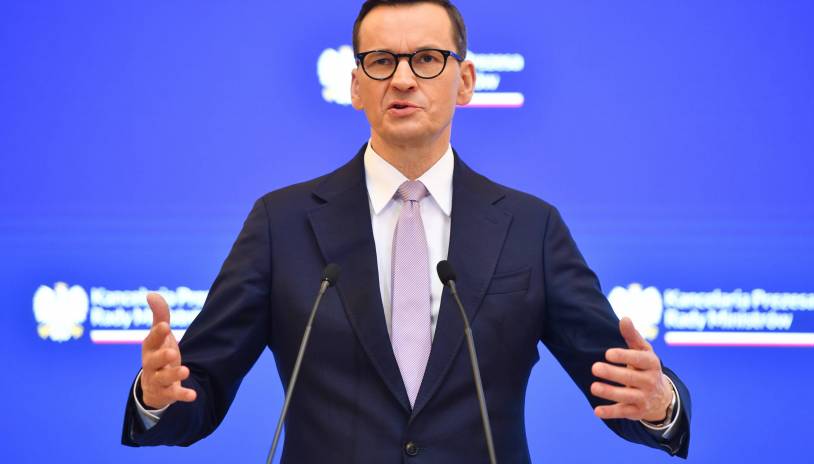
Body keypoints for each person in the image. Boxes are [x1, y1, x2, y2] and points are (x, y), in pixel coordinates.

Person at [122, 1, 691, 462]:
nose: (402, 78)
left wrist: (658, 402)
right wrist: (157, 397)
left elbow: (617, 384)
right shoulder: (282, 222)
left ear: (465, 81)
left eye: (426, 59)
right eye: (380, 61)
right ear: (356, 86)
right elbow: (197, 393)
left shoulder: (530, 227)